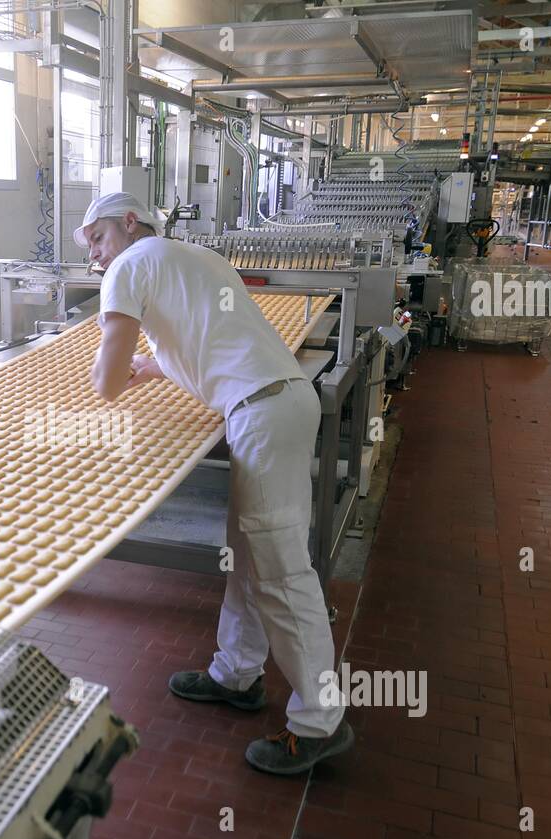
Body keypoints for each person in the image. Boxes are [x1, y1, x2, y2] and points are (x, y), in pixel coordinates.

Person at [78, 192, 354, 775]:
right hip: (278, 401)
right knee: (249, 556)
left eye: (97, 239)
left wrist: (103, 374)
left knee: (280, 572)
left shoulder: (128, 267)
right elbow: (201, 339)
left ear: (130, 223)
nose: (96, 257)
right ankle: (237, 675)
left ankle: (319, 722)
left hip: (261, 414)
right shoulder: (192, 256)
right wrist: (149, 367)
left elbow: (104, 382)